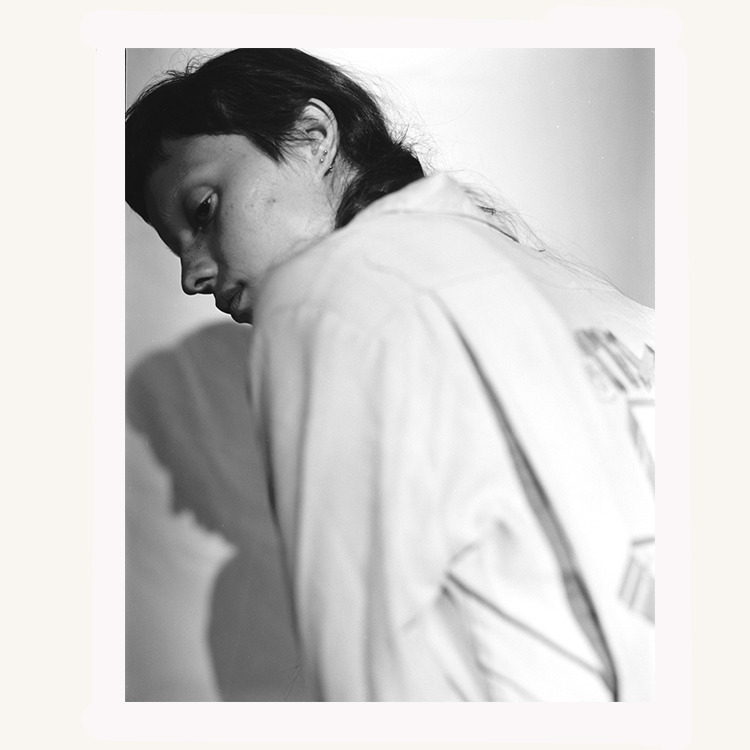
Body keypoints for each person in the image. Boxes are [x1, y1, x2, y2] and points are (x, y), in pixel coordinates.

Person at [126, 48, 655, 701]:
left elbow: (372, 677)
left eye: (204, 210)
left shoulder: (324, 297)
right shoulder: (599, 301)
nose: (192, 275)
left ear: (313, 136)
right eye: (177, 246)